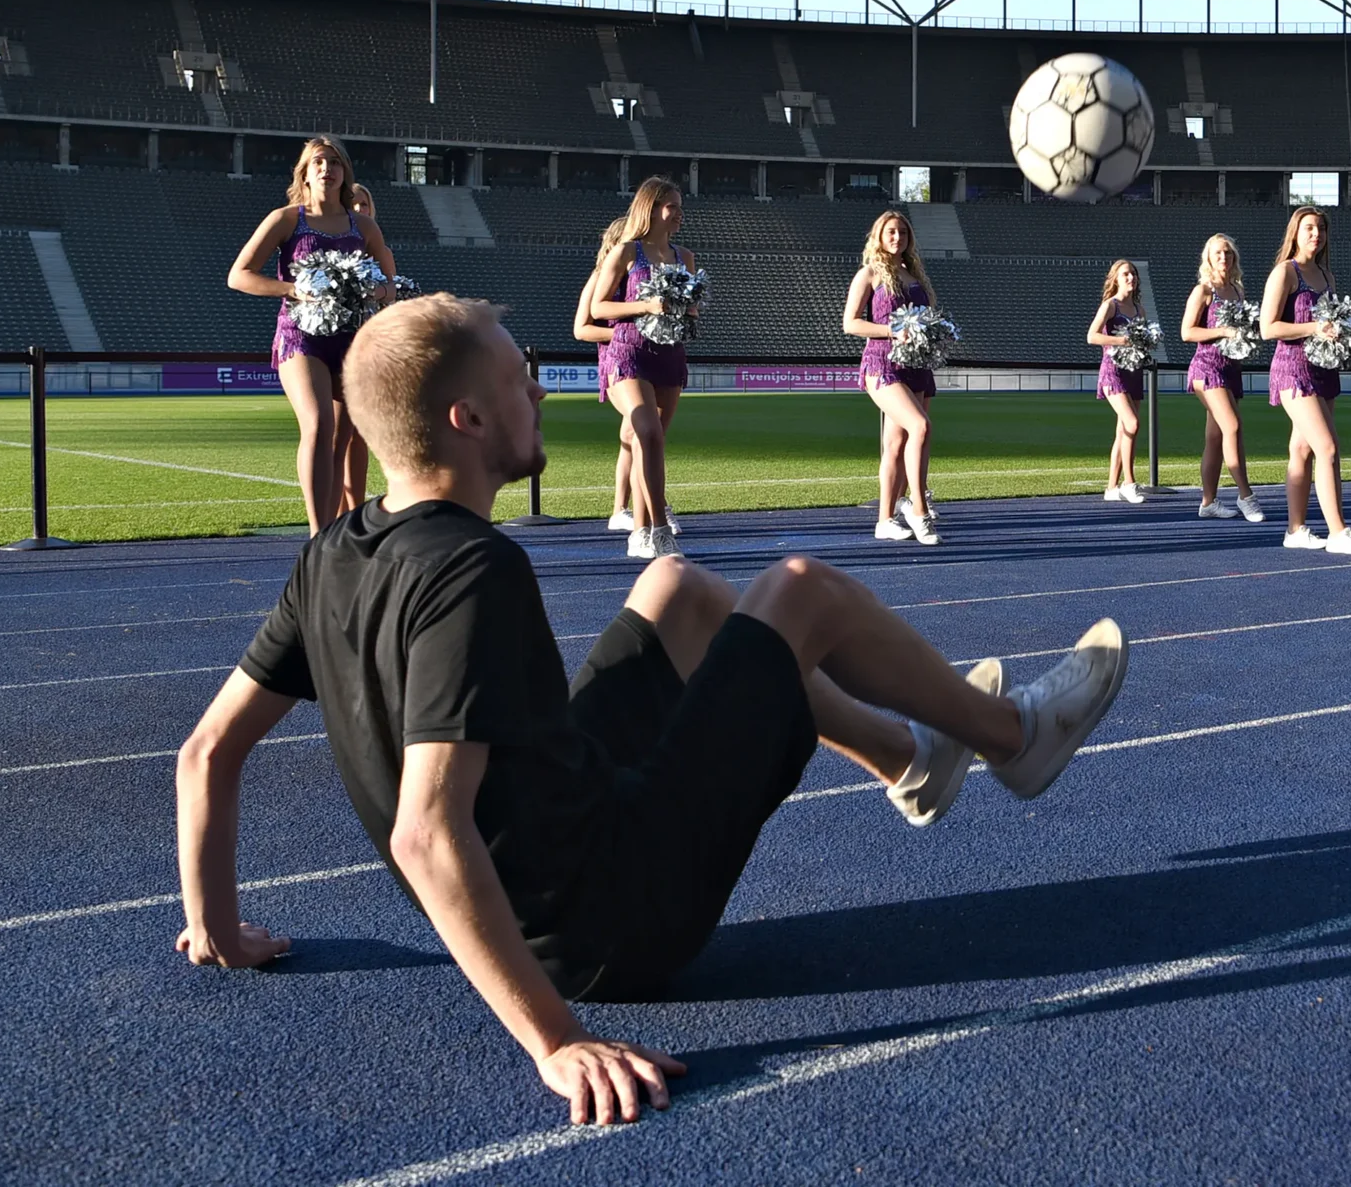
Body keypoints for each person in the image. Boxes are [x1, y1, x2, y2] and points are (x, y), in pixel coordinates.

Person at [173, 295, 1127, 1127]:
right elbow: (428, 831)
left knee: (676, 586)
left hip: (562, 838)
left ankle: (907, 759)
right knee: (801, 591)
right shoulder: (472, 572)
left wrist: (213, 920)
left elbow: (207, 751)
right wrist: (556, 1041)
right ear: (466, 418)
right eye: (520, 378)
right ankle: (1017, 740)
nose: (541, 390)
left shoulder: (335, 550)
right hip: (606, 924)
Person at [226, 136, 398, 533]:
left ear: (345, 173)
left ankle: (338, 532)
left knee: (340, 442)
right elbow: (239, 275)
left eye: (335, 162)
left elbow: (392, 283)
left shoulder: (364, 226)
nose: (327, 168)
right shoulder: (286, 219)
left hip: (352, 340)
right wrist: (293, 289)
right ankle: (318, 536)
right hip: (300, 335)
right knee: (319, 424)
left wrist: (379, 291)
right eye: (318, 162)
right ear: (304, 173)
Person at [588, 180, 697, 561]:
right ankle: (659, 531)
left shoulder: (685, 256)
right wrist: (646, 306)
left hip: (669, 355)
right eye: (672, 206)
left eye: (680, 206)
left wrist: (688, 310)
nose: (680, 213)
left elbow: (690, 308)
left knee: (649, 444)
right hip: (627, 352)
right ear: (650, 208)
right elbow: (599, 309)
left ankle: (643, 530)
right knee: (646, 433)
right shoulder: (626, 252)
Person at [1260, 204, 1351, 556]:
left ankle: (1295, 529)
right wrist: (1315, 327)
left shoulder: (1327, 276)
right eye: (1309, 227)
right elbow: (1268, 328)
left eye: (1321, 229)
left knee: (1303, 449)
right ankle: (1338, 532)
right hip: (1293, 367)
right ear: (1295, 232)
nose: (1316, 234)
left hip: (1323, 369)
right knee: (1327, 447)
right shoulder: (1285, 272)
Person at [844, 209, 942, 545]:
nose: (897, 237)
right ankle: (919, 509)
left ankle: (885, 519)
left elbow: (929, 318)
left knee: (896, 444)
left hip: (917, 364)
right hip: (881, 363)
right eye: (890, 232)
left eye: (902, 231)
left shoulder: (916, 275)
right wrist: (892, 332)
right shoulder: (870, 273)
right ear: (879, 236)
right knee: (921, 426)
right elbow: (851, 323)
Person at [1181, 232, 1266, 522]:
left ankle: (1208, 502)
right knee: (1233, 425)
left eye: (1228, 253)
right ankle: (1246, 496)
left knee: (1215, 437)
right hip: (1206, 367)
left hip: (1231, 368)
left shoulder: (1238, 291)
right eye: (1217, 253)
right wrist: (1224, 331)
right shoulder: (1204, 290)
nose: (1223, 258)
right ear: (1208, 258)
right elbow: (1187, 332)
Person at [574, 217, 638, 534]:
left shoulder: (640, 278)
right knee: (640, 429)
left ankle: (629, 508)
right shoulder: (600, 276)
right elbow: (581, 329)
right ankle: (631, 507)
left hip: (647, 361)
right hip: (617, 362)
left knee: (634, 434)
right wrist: (627, 334)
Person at [1087, 259, 1150, 505]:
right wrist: (1121, 342)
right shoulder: (1110, 306)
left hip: (1133, 372)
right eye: (1125, 274)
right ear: (1115, 279)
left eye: (1133, 274)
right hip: (1112, 371)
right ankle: (1129, 483)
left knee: (1123, 430)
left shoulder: (1139, 309)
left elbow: (1142, 340)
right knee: (1133, 424)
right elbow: (1092, 336)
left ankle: (1112, 487)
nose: (1131, 278)